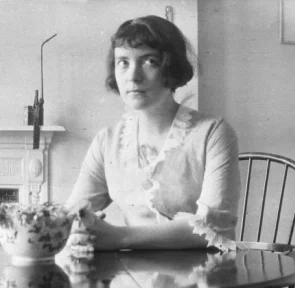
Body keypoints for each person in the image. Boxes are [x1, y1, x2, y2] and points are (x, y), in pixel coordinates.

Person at [64, 15, 241, 253]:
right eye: (123, 62)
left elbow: (214, 227)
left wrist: (119, 237)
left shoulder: (213, 132)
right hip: (131, 275)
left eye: (149, 61)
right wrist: (78, 231)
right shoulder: (107, 141)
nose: (133, 76)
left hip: (203, 275)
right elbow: (73, 214)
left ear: (171, 66)